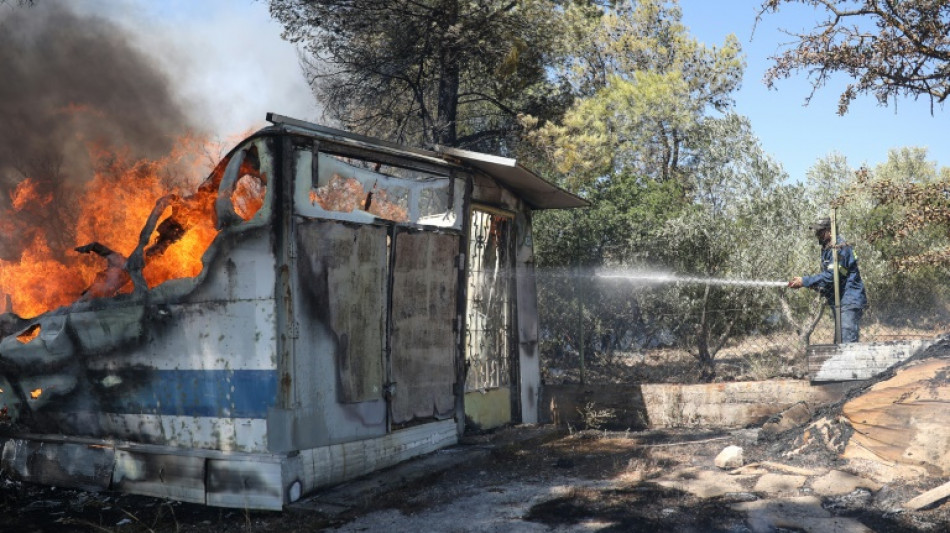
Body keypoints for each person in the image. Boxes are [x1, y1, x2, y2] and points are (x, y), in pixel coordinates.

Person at [788, 216, 868, 343]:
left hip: (849, 299)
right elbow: (830, 279)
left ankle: (850, 362)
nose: (817, 235)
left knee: (847, 341)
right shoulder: (827, 249)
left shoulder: (840, 247)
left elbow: (832, 276)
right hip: (840, 300)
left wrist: (805, 281)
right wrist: (814, 285)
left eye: (820, 232)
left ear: (830, 231)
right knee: (840, 342)